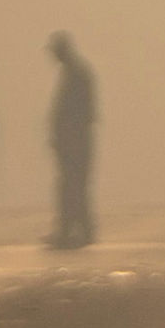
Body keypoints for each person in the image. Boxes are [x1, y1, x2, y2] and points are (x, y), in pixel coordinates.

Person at [45, 31, 99, 249]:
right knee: (74, 185)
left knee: (71, 185)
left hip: (75, 139)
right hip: (75, 138)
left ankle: (72, 231)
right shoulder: (76, 72)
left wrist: (64, 135)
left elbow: (74, 111)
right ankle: (79, 229)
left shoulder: (75, 73)